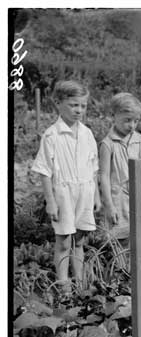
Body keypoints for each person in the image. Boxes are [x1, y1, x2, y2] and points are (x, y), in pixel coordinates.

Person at [31, 80, 101, 291]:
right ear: (58, 103)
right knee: (63, 241)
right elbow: (44, 171)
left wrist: (96, 196)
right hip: (63, 193)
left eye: (83, 106)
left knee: (79, 240)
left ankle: (79, 282)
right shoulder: (52, 135)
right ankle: (63, 285)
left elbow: (94, 167)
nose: (79, 110)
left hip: (85, 191)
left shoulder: (87, 133)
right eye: (73, 105)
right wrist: (51, 202)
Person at [99, 93, 141, 243]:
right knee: (119, 239)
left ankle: (139, 267)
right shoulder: (108, 144)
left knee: (140, 239)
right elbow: (104, 176)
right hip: (118, 199)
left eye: (136, 121)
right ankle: (121, 267)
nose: (132, 126)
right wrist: (109, 205)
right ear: (114, 116)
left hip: (138, 197)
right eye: (127, 120)